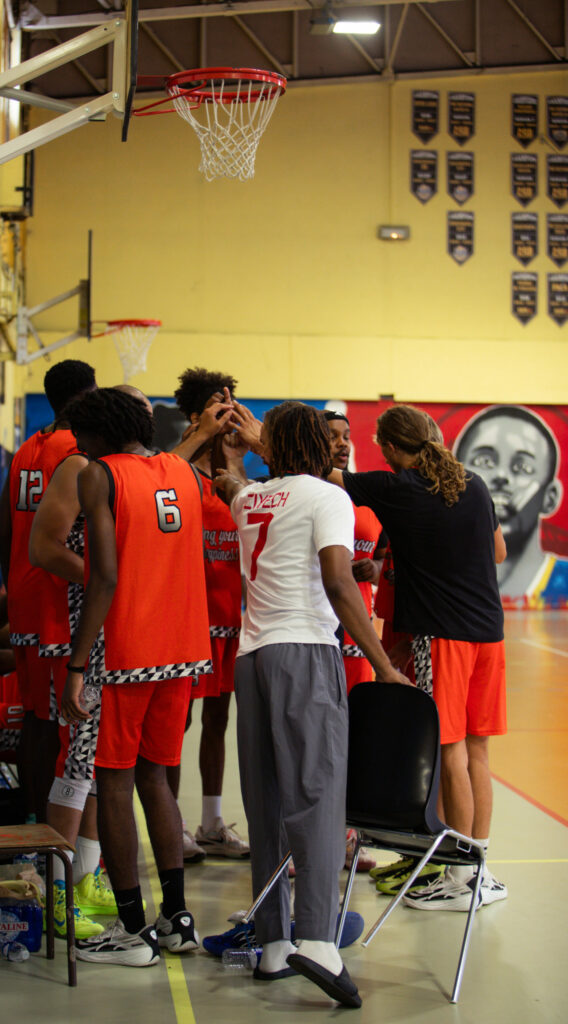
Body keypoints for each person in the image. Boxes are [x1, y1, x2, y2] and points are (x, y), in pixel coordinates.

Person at [216, 400, 408, 1008]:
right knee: (319, 797)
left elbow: (236, 487)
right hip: (305, 651)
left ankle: (274, 943)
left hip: (251, 659)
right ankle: (320, 941)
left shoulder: (250, 499)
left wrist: (229, 457)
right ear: (318, 447)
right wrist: (383, 665)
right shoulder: (329, 498)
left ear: (272, 445)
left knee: (266, 798)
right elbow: (336, 579)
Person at [60, 387, 232, 967]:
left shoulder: (98, 473)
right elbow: (176, 458)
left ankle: (133, 931)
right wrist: (204, 430)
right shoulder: (182, 475)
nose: (77, 446)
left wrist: (78, 663)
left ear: (100, 434)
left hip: (126, 652)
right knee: (155, 780)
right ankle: (177, 919)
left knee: (111, 783)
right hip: (184, 649)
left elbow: (104, 578)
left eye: (82, 436)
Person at [329, 403, 508, 911]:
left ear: (387, 448)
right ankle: (480, 872)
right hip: (489, 636)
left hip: (442, 637)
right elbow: (496, 552)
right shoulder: (472, 484)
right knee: (476, 751)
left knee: (448, 749)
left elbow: (323, 471)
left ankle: (455, 878)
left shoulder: (396, 488)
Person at [0, 359, 96, 823]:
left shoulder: (25, 450)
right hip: (59, 602)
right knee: (69, 728)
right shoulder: (78, 452)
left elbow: (4, 529)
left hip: (23, 600)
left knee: (38, 722)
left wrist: (13, 588)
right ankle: (61, 842)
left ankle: (34, 829)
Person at [172, 367, 249, 861]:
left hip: (230, 619)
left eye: (232, 404)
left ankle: (212, 823)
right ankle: (170, 824)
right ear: (198, 414)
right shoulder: (175, 468)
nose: (229, 414)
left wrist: (238, 466)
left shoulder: (236, 474)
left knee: (219, 722)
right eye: (219, 405)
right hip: (185, 623)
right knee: (176, 724)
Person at [324, 410, 381, 874]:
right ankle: (304, 837)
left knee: (354, 736)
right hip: (318, 628)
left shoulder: (366, 498)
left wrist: (375, 570)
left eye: (346, 437)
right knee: (316, 737)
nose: (343, 444)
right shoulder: (310, 496)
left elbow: (385, 557)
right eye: (333, 437)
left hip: (358, 633)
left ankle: (347, 835)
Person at [454, 405, 564, 600]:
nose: (501, 476)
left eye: (523, 466)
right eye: (484, 462)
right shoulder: (435, 579)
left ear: (550, 497)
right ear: (453, 482)